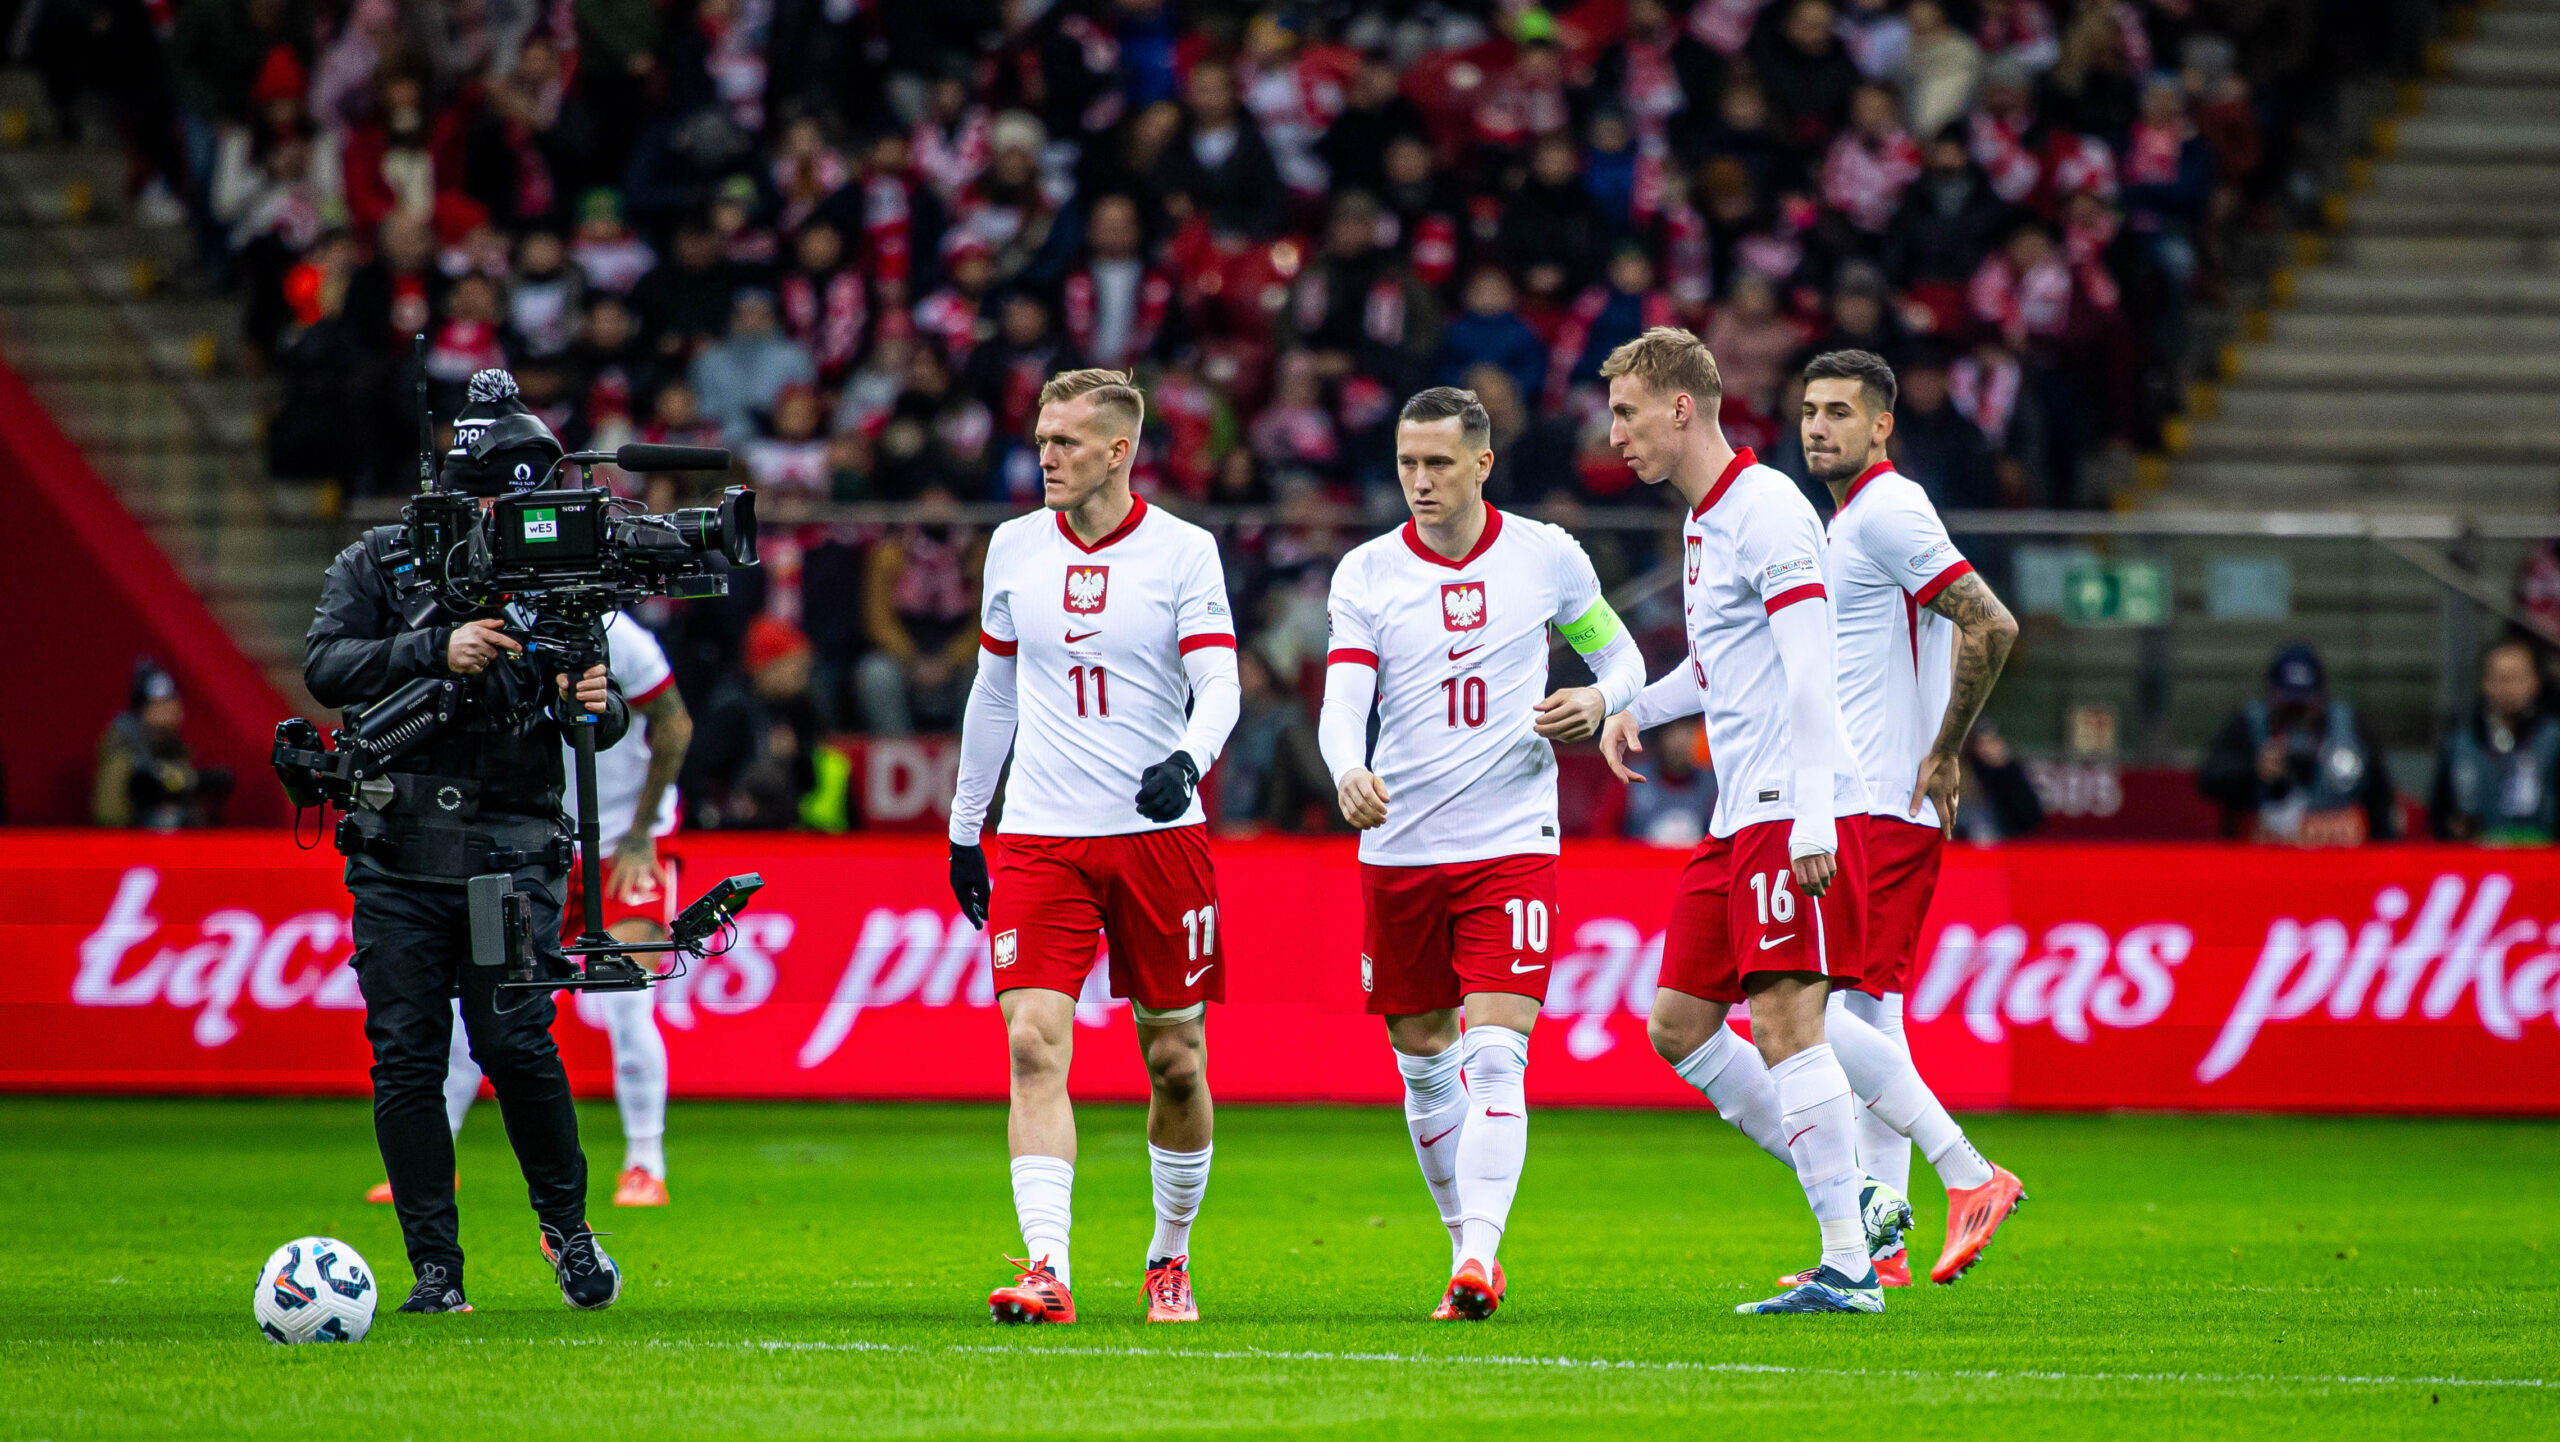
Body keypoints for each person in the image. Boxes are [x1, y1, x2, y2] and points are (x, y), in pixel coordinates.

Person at [1590, 328, 1907, 1316]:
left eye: (1627, 412)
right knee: (1677, 1025)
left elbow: (1811, 668)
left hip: (1789, 807)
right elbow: (1724, 667)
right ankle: (1853, 1190)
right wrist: (1633, 704)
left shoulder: (1768, 507)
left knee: (1785, 1017)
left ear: (1680, 407)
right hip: (1741, 814)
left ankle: (1848, 1261)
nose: (1615, 435)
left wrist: (1814, 816)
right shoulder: (1704, 523)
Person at [1318, 387, 1647, 1321]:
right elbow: (1347, 697)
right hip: (1400, 844)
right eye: (1407, 464)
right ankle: (1464, 1238)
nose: (1420, 483)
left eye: (1438, 465)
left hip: (1510, 841)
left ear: (1482, 464)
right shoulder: (1368, 573)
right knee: (1424, 1059)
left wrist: (1597, 701)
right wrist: (1347, 765)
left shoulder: (1546, 556)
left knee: (1497, 1056)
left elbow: (1621, 657)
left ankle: (1479, 1259)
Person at [302, 370, 626, 1316]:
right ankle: (434, 1271)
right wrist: (431, 651)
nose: (506, 502)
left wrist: (594, 705)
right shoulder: (381, 559)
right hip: (398, 851)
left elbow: (602, 722)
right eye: (491, 482)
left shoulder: (556, 573)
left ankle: (567, 1232)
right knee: (407, 1057)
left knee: (517, 1045)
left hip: (511, 853)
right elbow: (324, 667)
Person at [947, 370, 1243, 1327]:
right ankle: (1047, 1267)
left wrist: (1188, 760)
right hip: (1040, 836)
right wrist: (965, 825)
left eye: (1067, 442)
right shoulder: (1012, 547)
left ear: (1120, 451)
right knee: (1033, 1040)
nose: (1045, 456)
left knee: (1177, 1062)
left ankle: (1168, 1254)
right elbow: (993, 694)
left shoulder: (1183, 551)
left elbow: (1222, 686)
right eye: (1041, 438)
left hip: (1158, 839)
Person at [1789, 350, 2026, 1286]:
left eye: (1840, 412)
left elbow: (1991, 622)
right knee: (1865, 1011)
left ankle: (1970, 1173)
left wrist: (1945, 747)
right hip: (1868, 798)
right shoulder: (1850, 519)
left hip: (1884, 801)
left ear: (1881, 426)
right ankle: (1881, 1250)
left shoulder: (1888, 509)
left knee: (1796, 997)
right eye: (1809, 411)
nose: (1818, 427)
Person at [364, 612, 695, 1210]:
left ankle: (646, 1163)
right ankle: (440, 1157)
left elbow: (674, 725)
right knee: (486, 998)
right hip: (531, 841)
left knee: (624, 995)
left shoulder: (621, 639)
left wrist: (645, 831)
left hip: (619, 843)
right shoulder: (484, 634)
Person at [2200, 643, 2399, 844]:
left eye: (2305, 704)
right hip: (2261, 863)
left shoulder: (2350, 727)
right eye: (2289, 703)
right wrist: (2254, 770)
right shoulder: (2247, 726)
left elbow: (2381, 798)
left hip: (2339, 861)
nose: (2297, 714)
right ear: (2271, 694)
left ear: (2321, 698)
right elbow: (2209, 780)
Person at [2430, 639, 2559, 843]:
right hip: (2479, 863)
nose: (2507, 688)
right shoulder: (2463, 743)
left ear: (2535, 682)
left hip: (2545, 862)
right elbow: (2439, 813)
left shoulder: (2553, 740)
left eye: (2516, 678)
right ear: (2485, 683)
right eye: (2499, 678)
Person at [93, 658, 232, 829]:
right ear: (142, 709)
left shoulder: (176, 748)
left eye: (170, 703)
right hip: (133, 844)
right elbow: (110, 816)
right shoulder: (123, 748)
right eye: (156, 705)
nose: (166, 711)